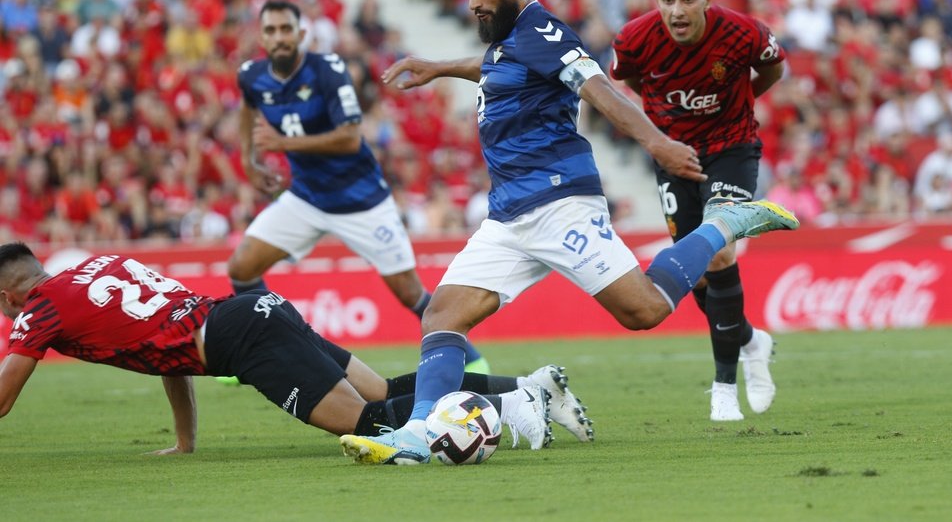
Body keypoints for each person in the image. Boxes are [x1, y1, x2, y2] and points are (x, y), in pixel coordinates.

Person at [339, 0, 799, 465]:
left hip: (559, 204)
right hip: (508, 215)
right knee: (442, 315)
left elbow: (598, 88)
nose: (473, 1)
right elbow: (496, 64)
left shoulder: (544, 31)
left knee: (644, 310)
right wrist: (439, 67)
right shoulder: (512, 40)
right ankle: (418, 433)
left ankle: (728, 223)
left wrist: (657, 143)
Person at [0, 242, 593, 453]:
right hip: (255, 310)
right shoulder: (99, 267)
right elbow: (167, 349)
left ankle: (510, 412)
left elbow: (4, 399)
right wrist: (185, 442)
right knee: (385, 392)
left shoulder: (39, 310)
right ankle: (527, 387)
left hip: (241, 338)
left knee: (371, 424)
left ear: (9, 295)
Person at [227, 0, 488, 374]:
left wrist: (282, 145)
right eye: (271, 30)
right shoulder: (252, 75)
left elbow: (350, 138)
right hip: (307, 198)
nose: (279, 37)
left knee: (410, 294)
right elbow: (246, 111)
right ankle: (261, 349)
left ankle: (472, 359)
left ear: (301, 34)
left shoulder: (328, 70)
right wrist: (251, 164)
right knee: (242, 268)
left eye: (286, 29)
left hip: (361, 201)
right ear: (262, 37)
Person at [609, 0, 787, 422]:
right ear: (657, 0)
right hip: (673, 157)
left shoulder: (744, 33)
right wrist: (663, 133)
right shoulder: (634, 39)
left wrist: (744, 101)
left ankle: (723, 388)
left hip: (731, 147)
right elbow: (623, 81)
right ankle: (751, 340)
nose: (678, 10)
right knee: (699, 279)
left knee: (719, 251)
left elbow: (773, 69)